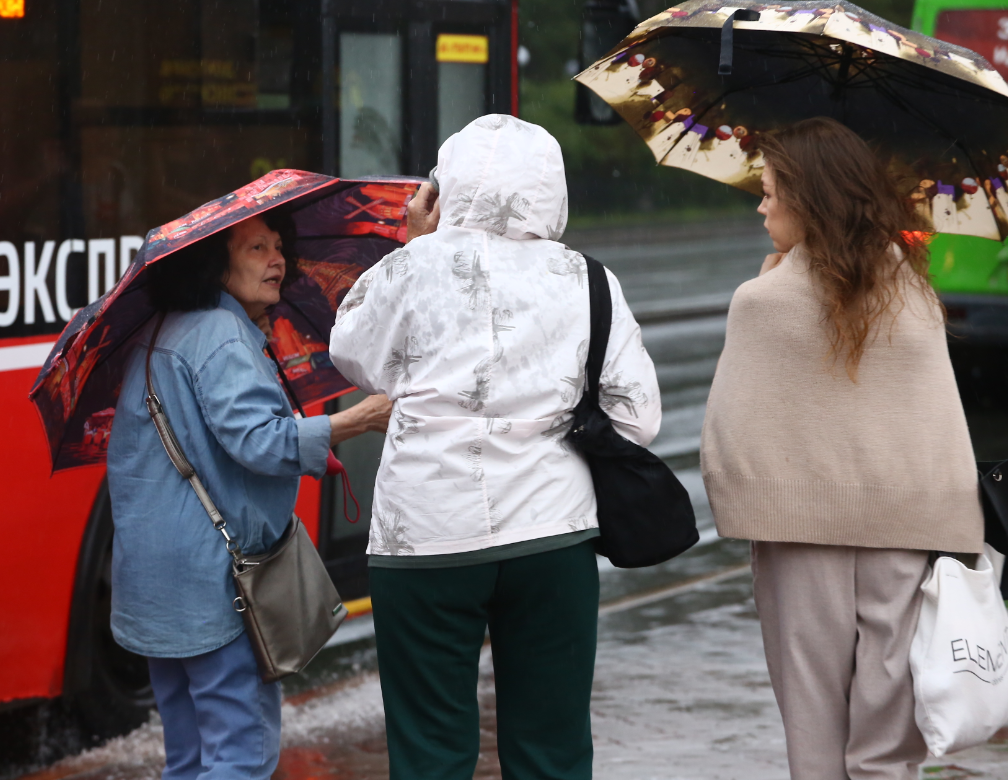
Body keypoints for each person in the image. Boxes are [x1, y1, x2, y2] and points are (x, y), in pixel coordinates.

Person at [329, 115, 661, 780]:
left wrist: (415, 246)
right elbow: (637, 419)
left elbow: (353, 354)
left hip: (424, 537)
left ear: (442, 188)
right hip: (551, 535)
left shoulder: (410, 269)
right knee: (551, 751)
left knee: (429, 751)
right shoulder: (587, 278)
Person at [700, 117, 984, 780]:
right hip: (909, 530)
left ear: (806, 199)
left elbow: (729, 435)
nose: (761, 203)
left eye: (770, 190)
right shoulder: (913, 295)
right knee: (888, 736)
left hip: (796, 535)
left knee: (812, 725)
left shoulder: (760, 301)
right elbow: (937, 422)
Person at [106, 210, 391, 780]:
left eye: (278, 245)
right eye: (257, 248)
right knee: (240, 755)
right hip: (217, 588)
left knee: (187, 757)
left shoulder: (158, 332)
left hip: (155, 585)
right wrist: (351, 422)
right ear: (216, 264)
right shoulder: (219, 333)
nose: (277, 260)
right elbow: (258, 441)